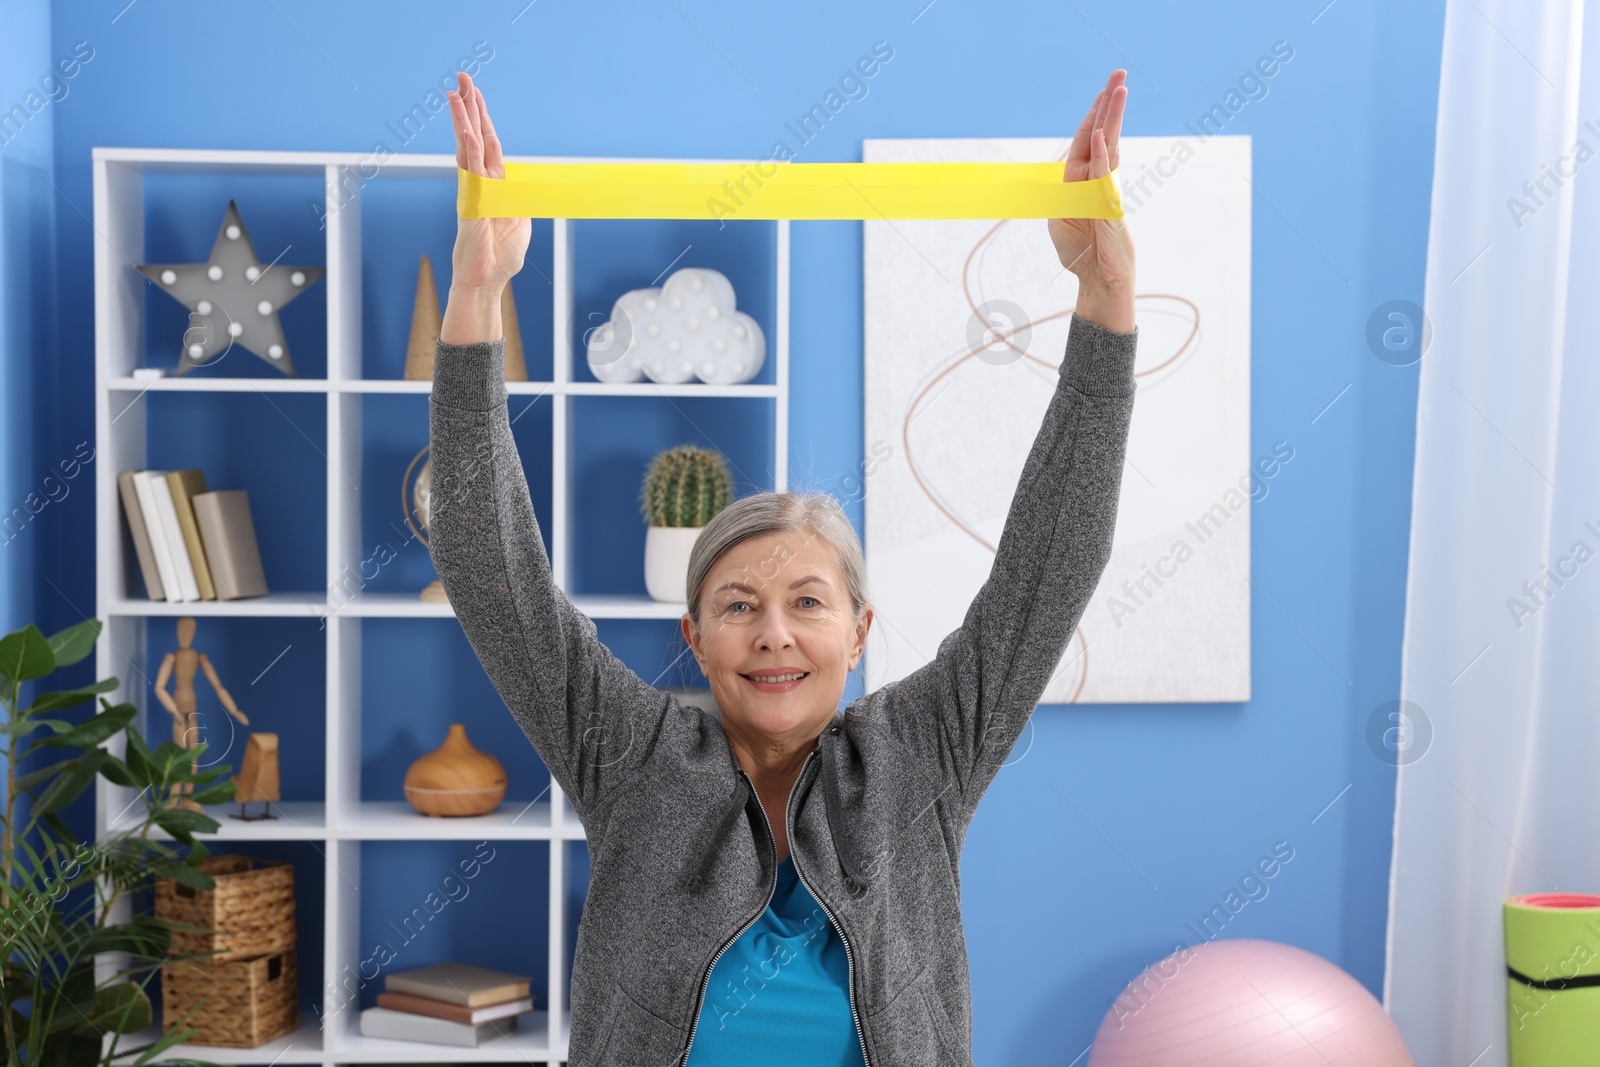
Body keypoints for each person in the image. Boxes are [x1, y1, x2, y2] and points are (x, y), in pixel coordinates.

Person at [430, 68, 1137, 1067]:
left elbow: (1049, 565)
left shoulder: (921, 754)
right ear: (695, 636)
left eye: (807, 600)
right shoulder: (630, 753)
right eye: (737, 604)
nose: (772, 630)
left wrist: (1106, 302)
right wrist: (477, 294)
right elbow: (487, 565)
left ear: (856, 628)